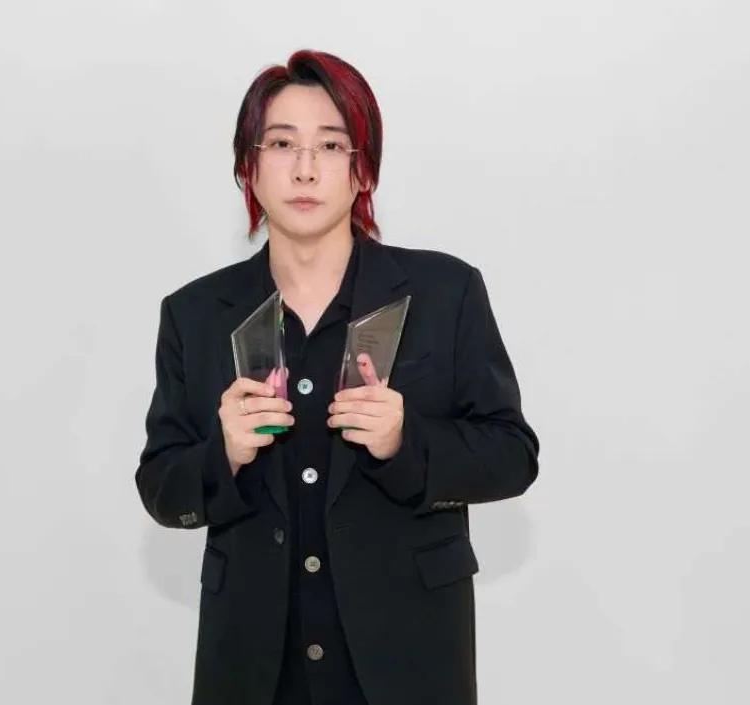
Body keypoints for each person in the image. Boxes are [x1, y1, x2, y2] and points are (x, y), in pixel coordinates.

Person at [134, 49, 539, 705]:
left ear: (362, 170)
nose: (305, 168)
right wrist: (223, 453)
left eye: (330, 145)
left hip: (407, 664)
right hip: (254, 668)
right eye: (281, 144)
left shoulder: (445, 292)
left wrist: (406, 441)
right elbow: (160, 484)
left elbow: (512, 456)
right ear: (248, 167)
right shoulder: (195, 313)